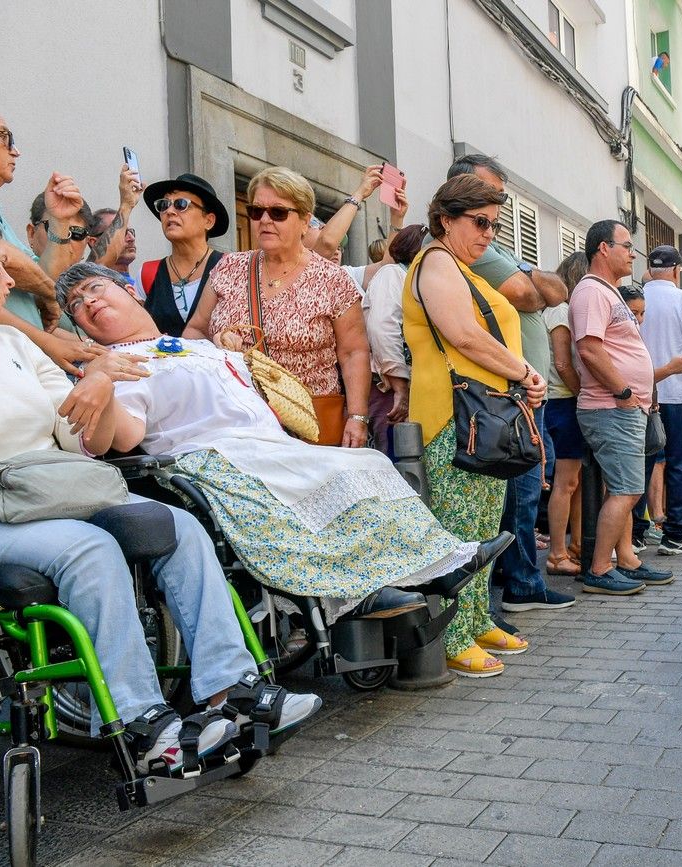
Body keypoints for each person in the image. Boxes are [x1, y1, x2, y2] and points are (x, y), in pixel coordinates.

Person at [0, 222, 320, 773]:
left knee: (178, 528)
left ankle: (230, 692)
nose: (9, 272)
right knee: (89, 551)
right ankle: (142, 722)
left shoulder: (15, 342)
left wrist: (97, 387)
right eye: (1, 262)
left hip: (55, 482)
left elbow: (78, 436)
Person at [60, 261, 509, 627]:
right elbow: (124, 439)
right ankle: (355, 595)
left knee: (366, 464)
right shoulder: (118, 368)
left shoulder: (189, 345)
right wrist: (100, 382)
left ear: (132, 292)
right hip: (213, 454)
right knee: (311, 478)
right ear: (81, 330)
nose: (89, 302)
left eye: (96, 288)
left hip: (268, 442)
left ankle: (438, 566)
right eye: (77, 305)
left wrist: (232, 351)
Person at [405, 174, 545, 677]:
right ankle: (453, 634)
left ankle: (476, 616)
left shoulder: (464, 269)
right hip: (452, 415)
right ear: (446, 219)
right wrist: (522, 370)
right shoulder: (438, 261)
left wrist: (518, 377)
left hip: (478, 414)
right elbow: (462, 333)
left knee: (484, 526)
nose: (488, 233)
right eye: (479, 222)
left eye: (494, 225)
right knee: (460, 529)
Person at [444, 155, 574, 618]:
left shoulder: (485, 249)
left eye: (496, 214)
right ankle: (516, 584)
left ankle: (511, 585)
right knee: (510, 494)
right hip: (498, 394)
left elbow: (552, 291)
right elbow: (524, 297)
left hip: (518, 391)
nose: (491, 221)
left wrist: (530, 282)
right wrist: (522, 375)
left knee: (516, 490)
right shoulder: (451, 259)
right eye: (482, 212)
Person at [185, 167, 372, 448]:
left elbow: (353, 352)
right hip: (235, 422)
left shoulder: (332, 279)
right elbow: (193, 331)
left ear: (305, 220)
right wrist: (215, 342)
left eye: (278, 213)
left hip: (308, 426)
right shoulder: (228, 268)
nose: (265, 220)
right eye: (256, 211)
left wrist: (357, 417)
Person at [570, 220, 674, 594]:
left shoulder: (608, 292)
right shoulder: (591, 292)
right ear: (602, 248)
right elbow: (589, 348)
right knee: (628, 490)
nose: (633, 253)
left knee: (624, 486)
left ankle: (627, 560)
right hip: (612, 407)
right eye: (627, 245)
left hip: (623, 407)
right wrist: (624, 392)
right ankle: (599, 569)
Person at [0, 104, 101, 374]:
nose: (16, 150)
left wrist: (59, 221)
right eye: (4, 137)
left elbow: (40, 274)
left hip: (24, 360)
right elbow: (2, 269)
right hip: (2, 365)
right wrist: (49, 299)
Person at [634, 244, 682, 555]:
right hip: (678, 392)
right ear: (678, 270)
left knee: (642, 463)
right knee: (680, 463)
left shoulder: (637, 298)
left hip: (643, 394)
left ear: (650, 269)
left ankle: (635, 534)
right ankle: (675, 534)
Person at [542, 251, 588, 576]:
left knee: (573, 481)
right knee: (566, 482)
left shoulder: (554, 309)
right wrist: (583, 394)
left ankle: (575, 546)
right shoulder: (560, 311)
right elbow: (562, 363)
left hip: (557, 401)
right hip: (561, 401)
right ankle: (558, 553)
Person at [137, 173, 229, 337]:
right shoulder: (147, 273)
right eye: (164, 205)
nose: (170, 211)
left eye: (181, 204)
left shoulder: (230, 268)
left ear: (208, 221)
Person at [361, 224, 424, 456]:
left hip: (410, 386)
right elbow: (382, 327)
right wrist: (400, 386)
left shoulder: (411, 278)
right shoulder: (393, 274)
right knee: (397, 459)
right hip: (389, 388)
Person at [91, 209, 138, 281]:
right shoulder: (95, 286)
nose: (131, 238)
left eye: (131, 232)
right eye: (121, 233)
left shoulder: (142, 285)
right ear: (94, 242)